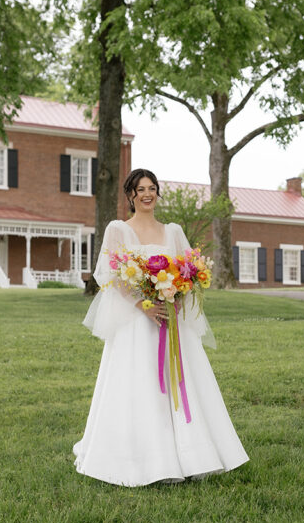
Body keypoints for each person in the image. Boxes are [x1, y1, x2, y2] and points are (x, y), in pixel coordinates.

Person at [74, 168, 249, 486]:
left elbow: (187, 270)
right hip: (136, 325)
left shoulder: (173, 231)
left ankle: (192, 455)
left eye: (152, 188)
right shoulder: (119, 229)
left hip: (170, 320)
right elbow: (111, 276)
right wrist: (144, 305)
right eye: (140, 189)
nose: (147, 193)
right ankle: (143, 459)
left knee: (181, 382)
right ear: (130, 195)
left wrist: (176, 296)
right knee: (139, 386)